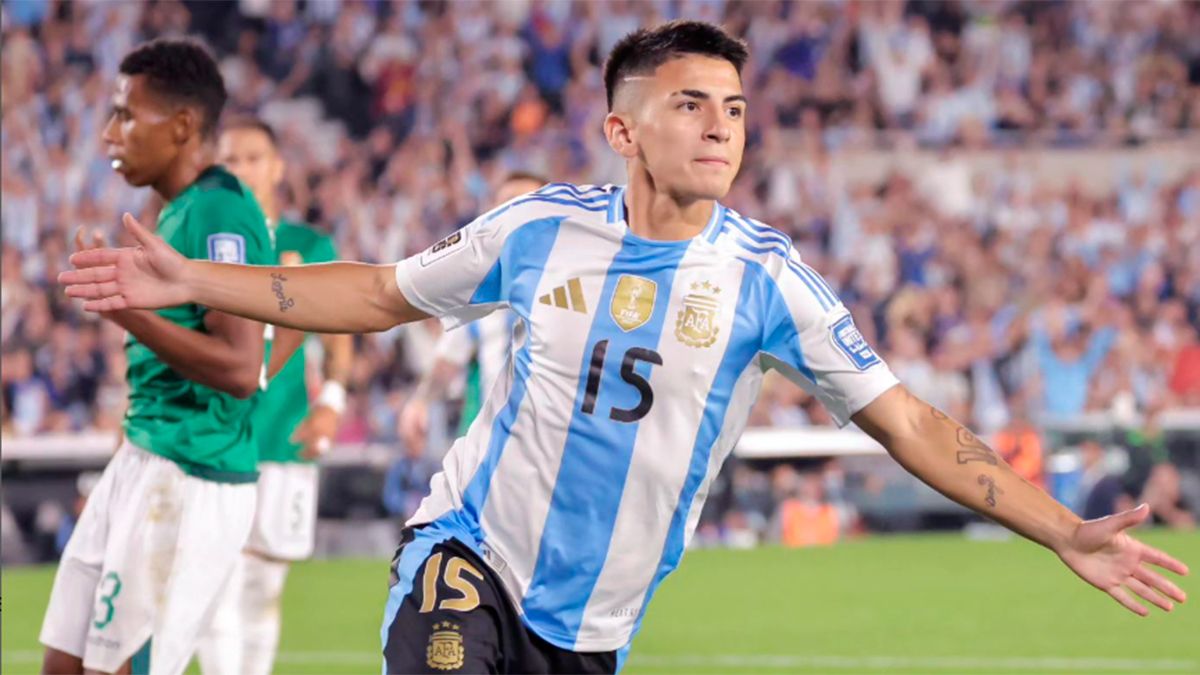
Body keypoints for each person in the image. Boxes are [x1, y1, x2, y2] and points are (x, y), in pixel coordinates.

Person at [62, 21, 1189, 674]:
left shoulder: (767, 280)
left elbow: (915, 426)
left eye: (733, 108)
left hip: (595, 625)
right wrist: (193, 278)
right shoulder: (536, 229)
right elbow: (376, 292)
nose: (719, 126)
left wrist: (1061, 530)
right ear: (623, 129)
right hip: (470, 556)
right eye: (690, 104)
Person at [42, 38, 273, 675]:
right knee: (63, 662)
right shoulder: (179, 211)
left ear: (181, 125)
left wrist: (124, 310)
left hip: (192, 472)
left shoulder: (219, 211)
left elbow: (239, 369)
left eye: (125, 114)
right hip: (144, 453)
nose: (109, 133)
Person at [193, 118, 354, 675]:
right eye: (230, 159)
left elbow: (338, 332)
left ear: (277, 167)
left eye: (253, 158)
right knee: (216, 581)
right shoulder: (200, 241)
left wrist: (332, 402)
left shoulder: (307, 246)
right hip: (213, 433)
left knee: (263, 586)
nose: (242, 169)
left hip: (284, 434)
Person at [398, 172, 547, 456]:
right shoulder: (478, 290)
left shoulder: (575, 283)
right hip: (490, 446)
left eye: (529, 203)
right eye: (508, 204)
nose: (518, 214)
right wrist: (419, 402)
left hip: (552, 446)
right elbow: (448, 360)